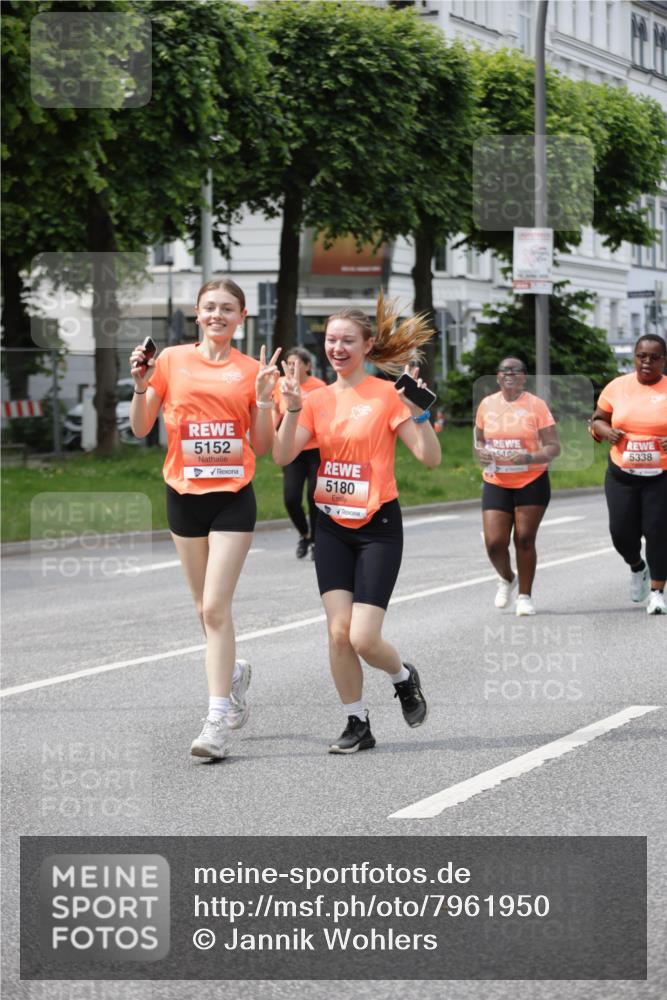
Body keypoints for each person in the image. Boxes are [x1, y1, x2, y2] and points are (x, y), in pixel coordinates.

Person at [273, 294, 441, 754]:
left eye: (348, 340)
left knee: (364, 636)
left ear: (368, 346)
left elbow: (429, 459)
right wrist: (290, 410)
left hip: (377, 525)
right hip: (330, 524)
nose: (338, 347)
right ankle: (357, 721)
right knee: (336, 631)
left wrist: (420, 414)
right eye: (331, 339)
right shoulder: (315, 399)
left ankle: (403, 677)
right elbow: (282, 455)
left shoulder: (388, 395)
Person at [129, 279, 280, 760]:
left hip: (233, 498)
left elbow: (264, 447)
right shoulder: (171, 360)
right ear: (197, 314)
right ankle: (233, 675)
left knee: (215, 607)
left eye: (227, 309)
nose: (218, 315)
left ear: (241, 317)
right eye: (210, 307)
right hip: (183, 494)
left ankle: (215, 721)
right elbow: (140, 426)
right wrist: (139, 387)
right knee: (202, 609)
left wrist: (261, 398)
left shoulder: (253, 369)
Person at [474, 357, 561, 616]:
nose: (509, 374)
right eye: (504, 370)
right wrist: (481, 453)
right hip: (497, 480)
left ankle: (524, 596)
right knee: (494, 543)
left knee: (524, 538)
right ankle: (507, 578)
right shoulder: (487, 404)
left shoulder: (536, 405)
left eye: (516, 371)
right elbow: (478, 441)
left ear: (524, 377)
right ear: (498, 376)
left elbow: (554, 447)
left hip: (531, 480)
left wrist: (530, 457)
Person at [590, 333, 667, 615]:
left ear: (664, 360)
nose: (647, 362)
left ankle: (658, 592)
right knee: (621, 533)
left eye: (654, 357)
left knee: (659, 533)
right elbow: (597, 420)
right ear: (634, 358)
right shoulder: (617, 387)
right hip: (622, 473)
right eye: (641, 356)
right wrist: (606, 431)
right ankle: (637, 567)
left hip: (662, 475)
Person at [273, 347, 326, 559]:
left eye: (297, 364)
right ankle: (304, 534)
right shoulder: (280, 386)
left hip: (316, 450)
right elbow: (276, 412)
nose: (292, 368)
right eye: (289, 364)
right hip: (292, 450)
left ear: (308, 366)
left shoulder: (320, 387)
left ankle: (315, 540)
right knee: (291, 498)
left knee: (315, 496)